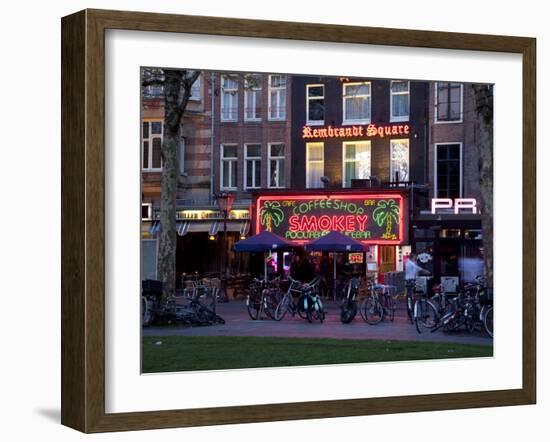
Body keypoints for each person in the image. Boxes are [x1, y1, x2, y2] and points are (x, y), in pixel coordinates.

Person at [405, 253, 430, 323]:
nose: (416, 258)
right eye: (415, 256)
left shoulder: (408, 263)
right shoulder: (411, 263)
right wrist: (426, 271)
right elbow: (418, 268)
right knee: (415, 296)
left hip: (409, 281)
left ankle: (411, 313)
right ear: (412, 257)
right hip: (411, 281)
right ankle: (414, 312)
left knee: (410, 297)